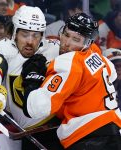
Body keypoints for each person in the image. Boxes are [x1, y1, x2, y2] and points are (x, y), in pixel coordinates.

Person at [21, 13, 121, 149]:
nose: (67, 43)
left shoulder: (68, 62)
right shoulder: (96, 54)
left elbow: (35, 109)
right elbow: (112, 74)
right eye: (66, 35)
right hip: (115, 131)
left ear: (87, 43)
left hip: (90, 138)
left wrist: (32, 78)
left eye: (76, 39)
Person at [0, 5, 63, 150]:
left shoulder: (54, 49)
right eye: (25, 34)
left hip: (55, 128)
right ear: (15, 32)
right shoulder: (5, 48)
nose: (30, 41)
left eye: (35, 35)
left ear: (42, 35)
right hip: (21, 133)